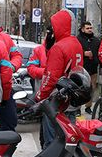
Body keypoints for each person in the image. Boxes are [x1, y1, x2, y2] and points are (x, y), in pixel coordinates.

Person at [36, 9, 84, 148]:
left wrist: (40, 97)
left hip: (57, 100)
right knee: (70, 139)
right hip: (73, 97)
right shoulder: (76, 43)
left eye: (53, 26)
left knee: (51, 141)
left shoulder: (59, 48)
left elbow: (51, 77)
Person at [76, 21, 100, 113]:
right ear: (83, 29)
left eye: (91, 28)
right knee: (80, 88)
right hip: (81, 68)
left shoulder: (96, 40)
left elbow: (99, 53)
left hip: (93, 68)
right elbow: (74, 51)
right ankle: (77, 108)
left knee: (92, 88)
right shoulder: (77, 39)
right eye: (87, 28)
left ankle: (88, 106)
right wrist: (83, 53)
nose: (90, 30)